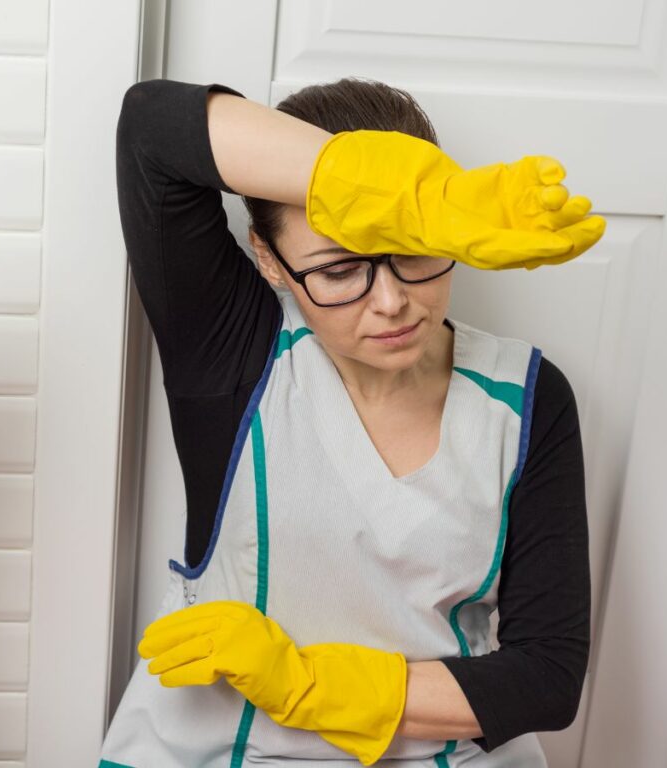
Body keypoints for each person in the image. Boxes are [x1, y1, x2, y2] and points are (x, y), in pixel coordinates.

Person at [99, 78, 597, 767]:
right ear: (270, 260)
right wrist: (375, 186)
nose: (391, 301)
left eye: (414, 246)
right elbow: (151, 130)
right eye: (338, 270)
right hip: (225, 751)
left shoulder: (526, 399)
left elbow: (547, 678)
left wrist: (311, 686)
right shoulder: (233, 355)